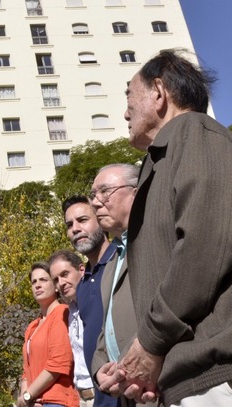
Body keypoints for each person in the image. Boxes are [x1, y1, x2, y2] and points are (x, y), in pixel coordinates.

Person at [100, 49, 232, 406]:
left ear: (159, 92)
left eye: (129, 97)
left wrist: (150, 341)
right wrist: (147, 364)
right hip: (200, 386)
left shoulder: (196, 133)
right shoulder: (164, 159)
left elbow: (206, 247)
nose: (125, 112)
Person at [88, 163, 154, 407]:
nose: (95, 202)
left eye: (105, 191)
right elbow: (106, 331)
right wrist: (99, 371)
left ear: (135, 192)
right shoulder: (112, 260)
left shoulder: (157, 244)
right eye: (93, 195)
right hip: (125, 396)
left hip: (155, 388)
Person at [62, 196, 117, 407]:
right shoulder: (82, 285)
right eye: (69, 225)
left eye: (82, 220)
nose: (75, 228)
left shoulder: (122, 261)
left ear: (101, 221)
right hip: (102, 399)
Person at [17, 262, 79, 407]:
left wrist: (28, 395)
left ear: (56, 286)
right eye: (34, 282)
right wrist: (25, 400)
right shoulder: (32, 326)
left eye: (43, 280)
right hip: (34, 402)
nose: (37, 285)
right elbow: (26, 371)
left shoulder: (61, 313)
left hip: (57, 401)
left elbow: (59, 364)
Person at [48, 249, 94, 407]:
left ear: (81, 270)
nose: (61, 283)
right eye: (55, 279)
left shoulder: (97, 299)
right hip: (81, 397)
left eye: (65, 274)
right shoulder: (70, 311)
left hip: (102, 392)